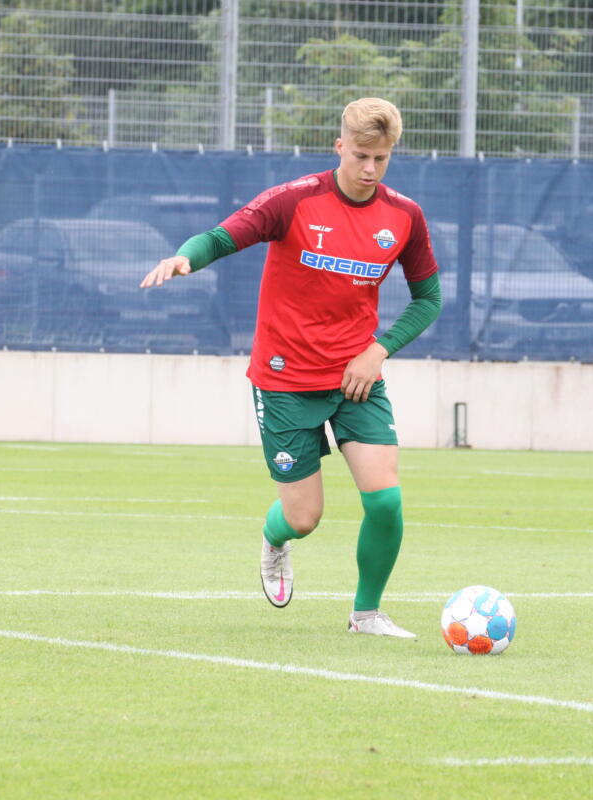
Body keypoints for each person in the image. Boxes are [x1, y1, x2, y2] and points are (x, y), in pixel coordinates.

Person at [138, 97, 442, 638]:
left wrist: (378, 350)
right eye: (362, 156)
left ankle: (366, 615)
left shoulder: (404, 216)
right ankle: (275, 539)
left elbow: (428, 299)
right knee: (304, 518)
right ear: (340, 147)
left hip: (357, 378)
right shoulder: (294, 201)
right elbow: (221, 236)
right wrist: (186, 257)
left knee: (387, 501)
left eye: (382, 158)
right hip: (284, 380)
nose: (370, 169)